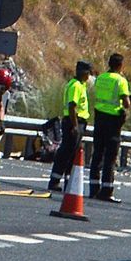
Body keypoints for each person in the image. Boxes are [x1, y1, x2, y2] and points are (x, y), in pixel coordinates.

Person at [89, 53, 131, 203]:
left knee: (97, 155)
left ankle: (93, 189)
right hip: (113, 121)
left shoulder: (100, 78)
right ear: (120, 65)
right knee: (110, 158)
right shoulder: (121, 81)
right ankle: (106, 191)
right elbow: (126, 103)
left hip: (100, 117)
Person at [48, 61, 92, 192]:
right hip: (74, 121)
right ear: (84, 73)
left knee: (71, 153)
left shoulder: (79, 85)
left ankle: (68, 182)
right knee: (67, 153)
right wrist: (75, 126)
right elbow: (72, 106)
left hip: (76, 121)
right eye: (88, 73)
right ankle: (55, 181)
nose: (89, 76)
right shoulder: (76, 86)